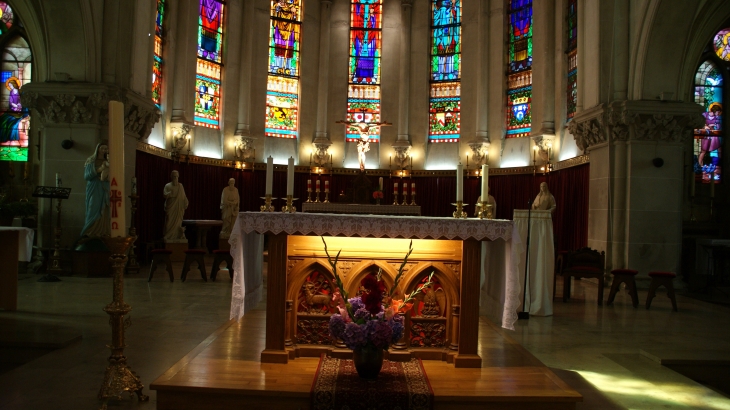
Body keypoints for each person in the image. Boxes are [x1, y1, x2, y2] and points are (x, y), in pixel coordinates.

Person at [80, 143, 111, 238]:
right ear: (97, 148)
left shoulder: (108, 160)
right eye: (102, 148)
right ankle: (89, 231)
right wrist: (99, 169)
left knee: (104, 208)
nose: (104, 150)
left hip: (104, 186)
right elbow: (87, 176)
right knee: (92, 207)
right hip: (94, 186)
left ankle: (102, 232)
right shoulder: (91, 160)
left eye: (106, 148)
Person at [163, 170, 189, 241]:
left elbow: (184, 196)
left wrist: (186, 202)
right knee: (169, 221)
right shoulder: (168, 185)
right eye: (174, 176)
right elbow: (164, 194)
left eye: (176, 176)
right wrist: (170, 194)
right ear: (171, 177)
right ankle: (168, 235)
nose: (175, 178)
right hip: (171, 206)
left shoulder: (180, 186)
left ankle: (177, 235)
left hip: (179, 207)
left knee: (178, 223)